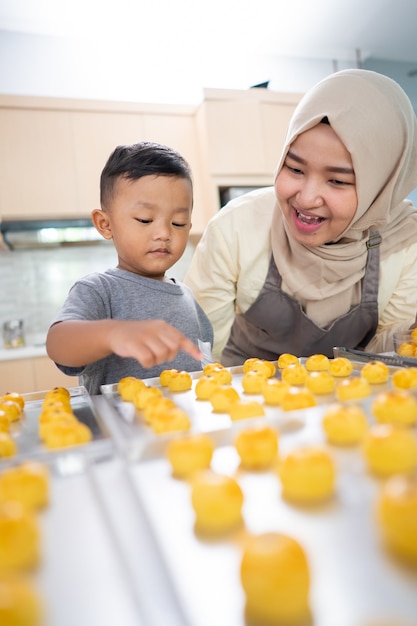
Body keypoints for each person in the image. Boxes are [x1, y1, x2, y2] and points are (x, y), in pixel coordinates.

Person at [184, 69, 417, 365]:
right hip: (241, 399)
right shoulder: (236, 228)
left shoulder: (405, 240)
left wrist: (409, 332)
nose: (306, 198)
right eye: (295, 169)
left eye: (338, 181)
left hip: (351, 402)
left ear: (382, 186)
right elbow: (198, 351)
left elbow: (387, 352)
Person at [46, 141, 213, 395]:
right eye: (145, 219)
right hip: (123, 431)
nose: (164, 233)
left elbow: (205, 362)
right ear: (105, 224)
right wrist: (113, 333)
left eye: (178, 223)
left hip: (182, 430)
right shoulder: (100, 290)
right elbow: (58, 343)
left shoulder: (187, 296)